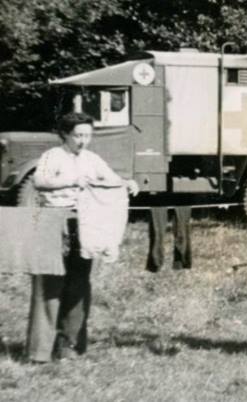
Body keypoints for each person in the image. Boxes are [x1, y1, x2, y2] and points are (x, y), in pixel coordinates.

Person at [26, 112, 138, 363]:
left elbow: (110, 178)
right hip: (52, 222)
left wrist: (127, 183)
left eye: (87, 135)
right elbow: (39, 181)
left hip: (85, 225)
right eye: (78, 135)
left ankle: (71, 347)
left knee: (79, 283)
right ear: (65, 134)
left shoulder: (92, 158)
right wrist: (72, 180)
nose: (83, 141)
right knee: (49, 285)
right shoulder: (52, 156)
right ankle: (40, 352)